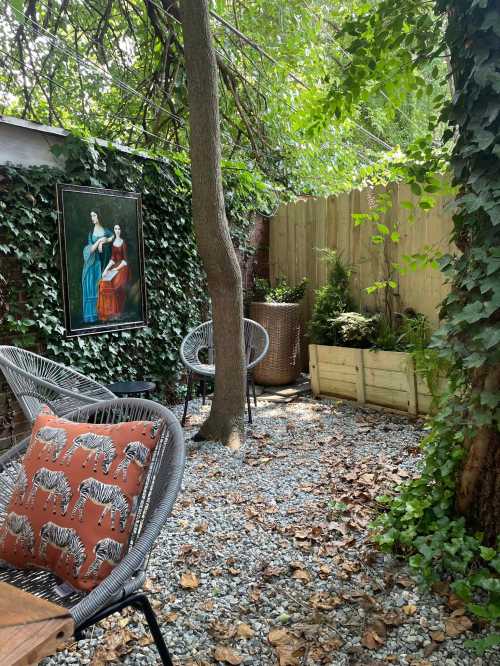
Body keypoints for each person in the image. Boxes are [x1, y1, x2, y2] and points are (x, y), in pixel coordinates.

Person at [82, 212, 113, 323]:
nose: (92, 218)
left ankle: (102, 313)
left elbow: (112, 236)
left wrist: (106, 240)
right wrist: (99, 241)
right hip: (94, 261)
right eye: (91, 216)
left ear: (99, 216)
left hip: (103, 259)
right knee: (94, 287)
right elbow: (91, 249)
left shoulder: (105, 230)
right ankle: (92, 315)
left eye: (94, 215)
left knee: (101, 287)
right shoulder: (91, 233)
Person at [97, 224, 130, 321]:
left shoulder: (123, 243)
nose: (117, 230)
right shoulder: (114, 243)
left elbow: (125, 260)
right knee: (104, 282)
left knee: (115, 286)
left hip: (123, 267)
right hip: (115, 266)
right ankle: (109, 311)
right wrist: (106, 269)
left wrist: (116, 269)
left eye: (119, 228)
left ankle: (117, 311)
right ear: (114, 230)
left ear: (121, 230)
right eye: (116, 229)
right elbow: (112, 258)